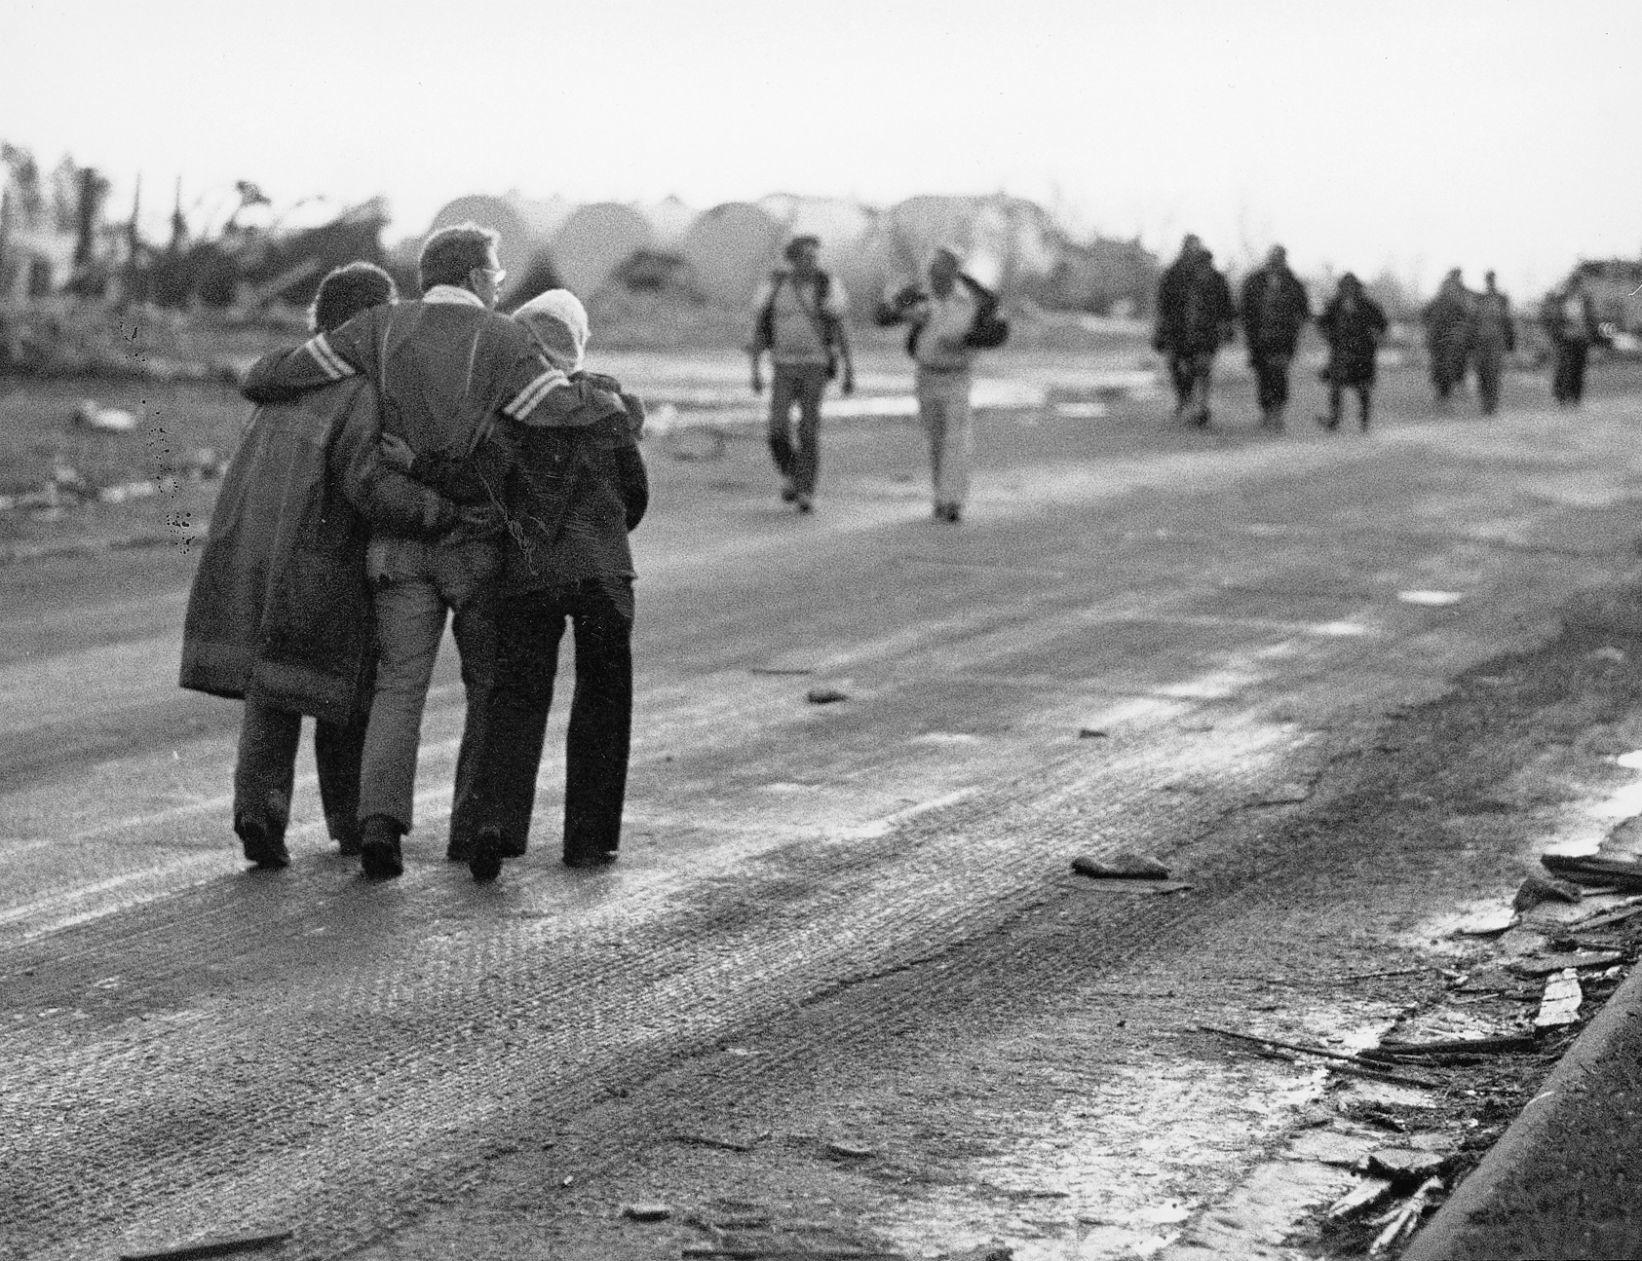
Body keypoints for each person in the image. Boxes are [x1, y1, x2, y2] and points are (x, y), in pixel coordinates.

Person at [239, 223, 624, 879]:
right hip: (475, 548)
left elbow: (274, 374)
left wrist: (269, 371)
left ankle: (379, 824)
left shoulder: (378, 329)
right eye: (497, 275)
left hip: (395, 550)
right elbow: (558, 410)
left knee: (398, 687)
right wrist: (611, 398)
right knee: (486, 688)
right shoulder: (507, 342)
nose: (499, 284)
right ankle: (473, 827)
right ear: (476, 276)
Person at [180, 263, 466, 868]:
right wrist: (437, 508)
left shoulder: (283, 380)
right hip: (321, 557)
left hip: (255, 551)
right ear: (369, 322)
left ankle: (258, 814)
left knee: (273, 689)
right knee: (344, 687)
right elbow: (367, 484)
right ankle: (350, 822)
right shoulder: (359, 392)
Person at [408, 291, 650, 882]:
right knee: (602, 700)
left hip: (530, 575)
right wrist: (604, 531)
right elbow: (635, 495)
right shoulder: (610, 408)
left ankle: (493, 825)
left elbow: (475, 480)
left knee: (516, 701)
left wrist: (418, 465)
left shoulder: (508, 413)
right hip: (601, 575)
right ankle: (589, 841)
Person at [874, 246, 1008, 522]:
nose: (934, 278)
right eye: (932, 272)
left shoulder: (974, 298)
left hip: (958, 374)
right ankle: (941, 495)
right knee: (936, 438)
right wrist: (905, 315)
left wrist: (967, 338)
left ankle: (953, 500)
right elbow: (882, 316)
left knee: (956, 437)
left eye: (940, 273)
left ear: (954, 272)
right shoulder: (919, 294)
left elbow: (999, 331)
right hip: (926, 374)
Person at [748, 235, 854, 513]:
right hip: (783, 366)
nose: (812, 262)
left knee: (808, 430)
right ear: (793, 259)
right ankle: (792, 474)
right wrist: (755, 370)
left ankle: (806, 489)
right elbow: (760, 328)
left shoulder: (826, 287)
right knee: (777, 430)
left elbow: (839, 327)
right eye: (806, 257)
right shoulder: (774, 287)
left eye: (815, 257)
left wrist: (849, 369)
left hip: (815, 367)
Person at [1152, 234, 1236, 427]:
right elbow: (1164, 305)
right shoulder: (1174, 274)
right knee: (1179, 368)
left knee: (1202, 369)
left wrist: (1227, 326)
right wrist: (1161, 330)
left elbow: (1226, 305)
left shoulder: (1215, 278)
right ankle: (1186, 401)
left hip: (1206, 333)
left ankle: (1200, 406)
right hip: (1179, 332)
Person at [1239, 245, 1311, 430]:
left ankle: (1277, 412)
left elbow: (1303, 311)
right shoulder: (1255, 281)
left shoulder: (1293, 283)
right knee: (1263, 376)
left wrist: (1295, 327)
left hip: (1284, 340)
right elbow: (1244, 309)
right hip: (1259, 339)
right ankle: (1267, 412)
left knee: (1279, 376)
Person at [1314, 273, 1388, 432]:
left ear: (1357, 288)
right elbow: (1321, 322)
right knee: (1335, 387)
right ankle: (1334, 420)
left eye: (1352, 286)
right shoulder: (1334, 305)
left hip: (1362, 354)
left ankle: (1364, 421)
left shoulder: (1368, 305)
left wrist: (1375, 337)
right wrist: (1329, 336)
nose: (1348, 289)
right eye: (1345, 286)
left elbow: (1382, 323)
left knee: (1363, 389)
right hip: (1340, 353)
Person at [1541, 272, 1605, 407]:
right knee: (1564, 367)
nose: (1575, 286)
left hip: (1581, 339)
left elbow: (1592, 320)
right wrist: (1558, 332)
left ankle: (1576, 398)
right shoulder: (1561, 299)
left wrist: (1593, 336)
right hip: (1565, 339)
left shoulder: (1585, 300)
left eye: (1578, 283)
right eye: (1573, 283)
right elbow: (1553, 319)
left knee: (1578, 368)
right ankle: (1561, 397)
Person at [1422, 268, 1475, 407]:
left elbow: (1466, 315)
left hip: (1453, 340)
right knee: (1440, 366)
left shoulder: (1461, 296)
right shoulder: (1440, 300)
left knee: (1454, 365)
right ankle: (1442, 393)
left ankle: (1449, 391)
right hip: (1439, 339)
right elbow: (1425, 315)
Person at [1469, 271, 1516, 416]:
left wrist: (1510, 343)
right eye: (1488, 280)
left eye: (1492, 280)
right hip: (1480, 342)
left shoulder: (1502, 299)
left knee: (1493, 372)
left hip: (1496, 342)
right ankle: (1485, 402)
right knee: (1482, 372)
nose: (1490, 282)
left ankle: (1492, 404)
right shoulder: (1479, 299)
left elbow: (1508, 322)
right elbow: (1472, 322)